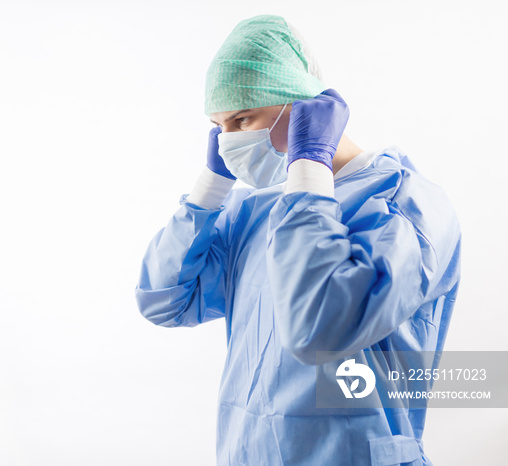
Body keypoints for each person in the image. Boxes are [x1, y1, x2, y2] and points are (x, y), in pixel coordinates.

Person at [134, 14, 461, 466]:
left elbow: (319, 328)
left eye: (242, 119)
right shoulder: (256, 210)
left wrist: (309, 169)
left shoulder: (405, 204)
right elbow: (163, 301)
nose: (228, 141)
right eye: (218, 126)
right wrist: (209, 190)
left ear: (300, 105)